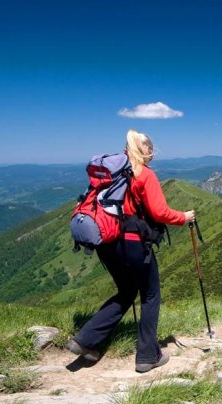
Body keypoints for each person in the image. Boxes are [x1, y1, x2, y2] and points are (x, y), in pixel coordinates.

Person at [67, 129, 195, 373]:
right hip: (134, 243)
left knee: (126, 291)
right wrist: (184, 217)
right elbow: (159, 212)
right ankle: (147, 355)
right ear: (144, 149)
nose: (152, 156)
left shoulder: (111, 174)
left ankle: (85, 341)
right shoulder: (144, 175)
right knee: (150, 294)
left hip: (107, 242)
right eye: (150, 151)